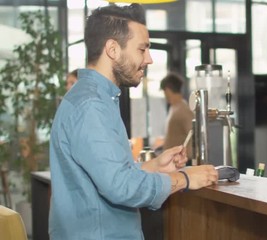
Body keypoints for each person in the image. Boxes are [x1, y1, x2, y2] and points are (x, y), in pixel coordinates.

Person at [48, 4, 218, 240]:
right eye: (142, 49)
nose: (148, 59)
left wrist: (155, 166)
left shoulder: (95, 99)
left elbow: (108, 175)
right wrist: (185, 178)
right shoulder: (91, 106)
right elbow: (121, 187)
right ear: (113, 49)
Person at [157, 72, 194, 158]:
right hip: (172, 162)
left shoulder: (183, 110)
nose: (164, 95)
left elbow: (193, 136)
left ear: (168, 90)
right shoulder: (174, 108)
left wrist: (185, 159)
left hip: (181, 163)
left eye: (164, 91)